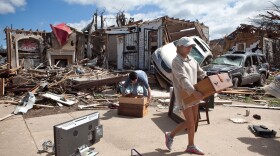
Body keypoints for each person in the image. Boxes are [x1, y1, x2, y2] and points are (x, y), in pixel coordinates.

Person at [165, 37, 206, 155]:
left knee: (194, 121)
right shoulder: (176, 61)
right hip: (185, 95)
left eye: (191, 46)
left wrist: (212, 79)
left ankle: (191, 145)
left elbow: (201, 72)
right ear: (180, 47)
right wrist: (194, 92)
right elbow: (183, 79)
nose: (190, 48)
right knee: (190, 122)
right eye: (188, 46)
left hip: (194, 93)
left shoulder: (192, 60)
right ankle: (170, 135)